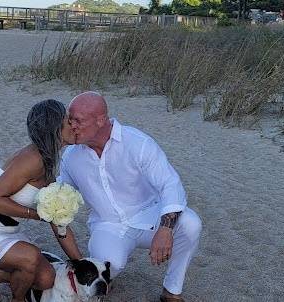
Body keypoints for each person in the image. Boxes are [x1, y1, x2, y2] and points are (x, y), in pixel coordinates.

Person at [57, 92, 202, 302]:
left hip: (149, 216)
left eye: (78, 120)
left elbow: (170, 183)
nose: (72, 126)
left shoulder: (136, 142)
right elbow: (63, 195)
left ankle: (171, 291)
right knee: (107, 269)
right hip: (108, 224)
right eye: (70, 120)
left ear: (100, 120)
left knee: (190, 224)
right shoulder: (71, 157)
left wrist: (165, 229)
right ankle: (109, 275)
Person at [0, 99, 82, 302]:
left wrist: (80, 263)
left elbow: (58, 223)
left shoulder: (48, 161)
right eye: (67, 120)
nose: (73, 125)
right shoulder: (32, 159)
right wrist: (36, 215)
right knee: (31, 257)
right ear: (54, 127)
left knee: (46, 279)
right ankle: (17, 299)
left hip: (6, 231)